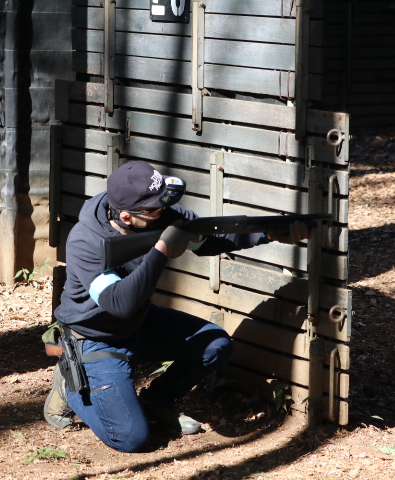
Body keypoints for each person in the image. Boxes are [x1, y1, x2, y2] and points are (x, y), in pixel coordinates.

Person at [44, 161, 311, 453]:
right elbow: (120, 303)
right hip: (95, 337)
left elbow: (211, 237)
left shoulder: (159, 215)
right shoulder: (86, 241)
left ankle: (157, 400)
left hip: (139, 323)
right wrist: (161, 250)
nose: (166, 210)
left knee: (216, 345)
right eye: (156, 209)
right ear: (127, 217)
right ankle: (72, 386)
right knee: (131, 438)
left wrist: (268, 233)